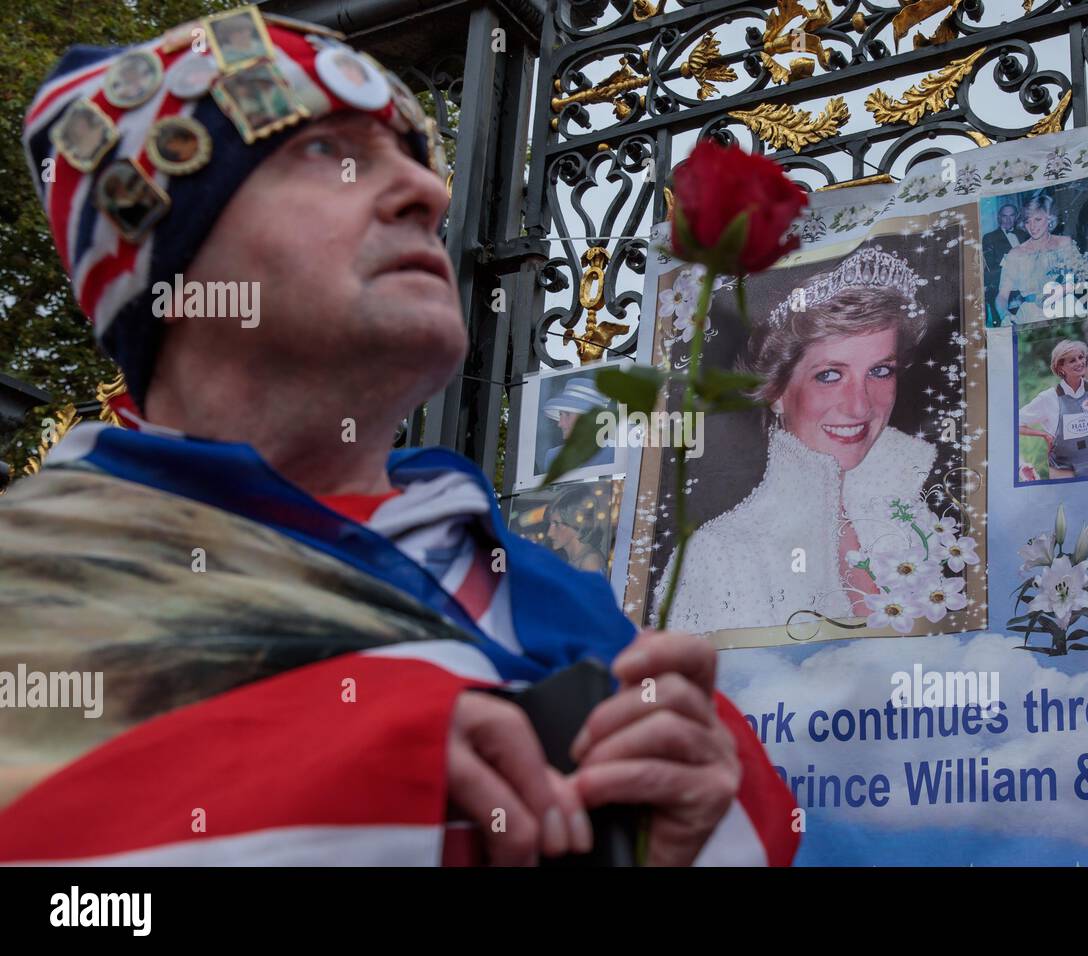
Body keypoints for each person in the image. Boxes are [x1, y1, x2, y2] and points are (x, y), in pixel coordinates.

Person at [1, 9, 796, 868]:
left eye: (415, 158)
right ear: (170, 264)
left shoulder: (565, 602)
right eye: (325, 153)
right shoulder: (30, 583)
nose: (432, 194)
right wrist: (331, 771)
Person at [656, 245, 960, 636]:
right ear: (776, 391)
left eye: (880, 371)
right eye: (830, 375)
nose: (859, 406)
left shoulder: (924, 515)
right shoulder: (718, 555)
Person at [1019, 340, 1088, 480]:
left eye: (1081, 357)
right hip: (1064, 471)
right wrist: (1044, 435)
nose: (1080, 362)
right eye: (1072, 360)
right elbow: (1015, 423)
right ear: (1060, 367)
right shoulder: (1048, 398)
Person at [995, 194, 1088, 323]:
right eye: (1028, 221)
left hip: (1066, 307)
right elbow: (1002, 296)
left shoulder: (1064, 243)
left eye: (1038, 219)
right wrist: (1004, 316)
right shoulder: (1015, 254)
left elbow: (1081, 279)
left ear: (1049, 219)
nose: (1032, 226)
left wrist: (1062, 290)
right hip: (1032, 314)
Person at [541, 377, 615, 473]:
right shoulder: (553, 457)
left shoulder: (613, 453)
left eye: (567, 414)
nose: (560, 424)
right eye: (560, 414)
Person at [982, 203, 1028, 324]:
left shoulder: (1025, 234)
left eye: (1011, 216)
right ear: (999, 217)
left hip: (1028, 290)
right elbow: (990, 269)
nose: (1008, 220)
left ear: (1017, 216)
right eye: (1004, 216)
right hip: (1002, 292)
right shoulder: (989, 238)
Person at [545, 486, 607, 573]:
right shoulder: (573, 560)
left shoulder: (590, 561)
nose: (549, 533)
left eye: (556, 524)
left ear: (576, 524)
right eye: (550, 524)